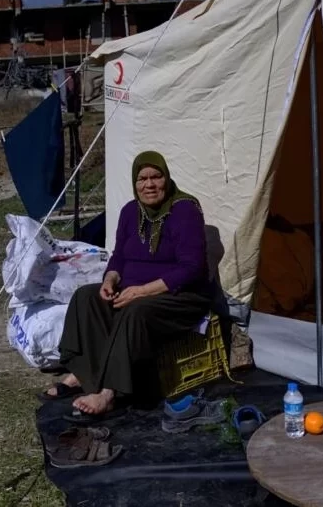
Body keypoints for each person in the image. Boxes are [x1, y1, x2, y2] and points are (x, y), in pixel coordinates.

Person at [43, 151, 212, 417]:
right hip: (134, 289)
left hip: (180, 296)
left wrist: (142, 291)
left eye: (156, 176)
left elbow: (192, 269)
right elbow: (119, 256)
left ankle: (110, 392)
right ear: (135, 183)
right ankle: (83, 374)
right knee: (86, 297)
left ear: (167, 179)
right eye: (142, 179)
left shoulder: (185, 211)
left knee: (135, 311)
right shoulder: (130, 211)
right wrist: (110, 279)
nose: (149, 185)